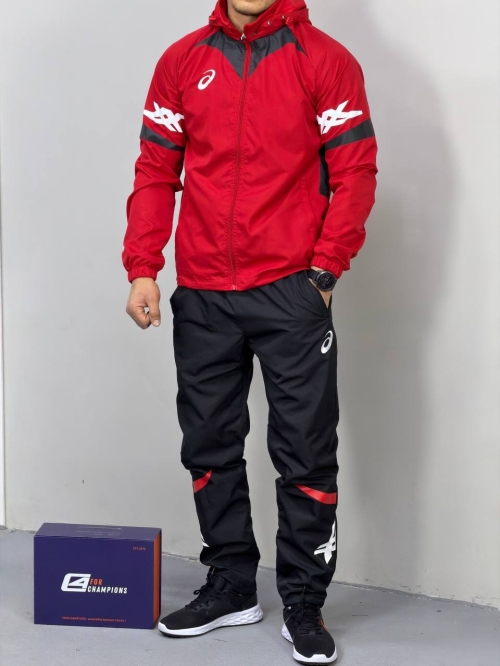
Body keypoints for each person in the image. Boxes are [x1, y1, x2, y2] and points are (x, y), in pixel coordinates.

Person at [123, 0, 377, 662]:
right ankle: (232, 586)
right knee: (208, 443)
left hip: (290, 289)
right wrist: (144, 266)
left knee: (305, 451)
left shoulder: (324, 60)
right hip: (203, 291)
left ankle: (304, 603)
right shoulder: (182, 61)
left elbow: (355, 170)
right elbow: (156, 169)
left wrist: (325, 271)